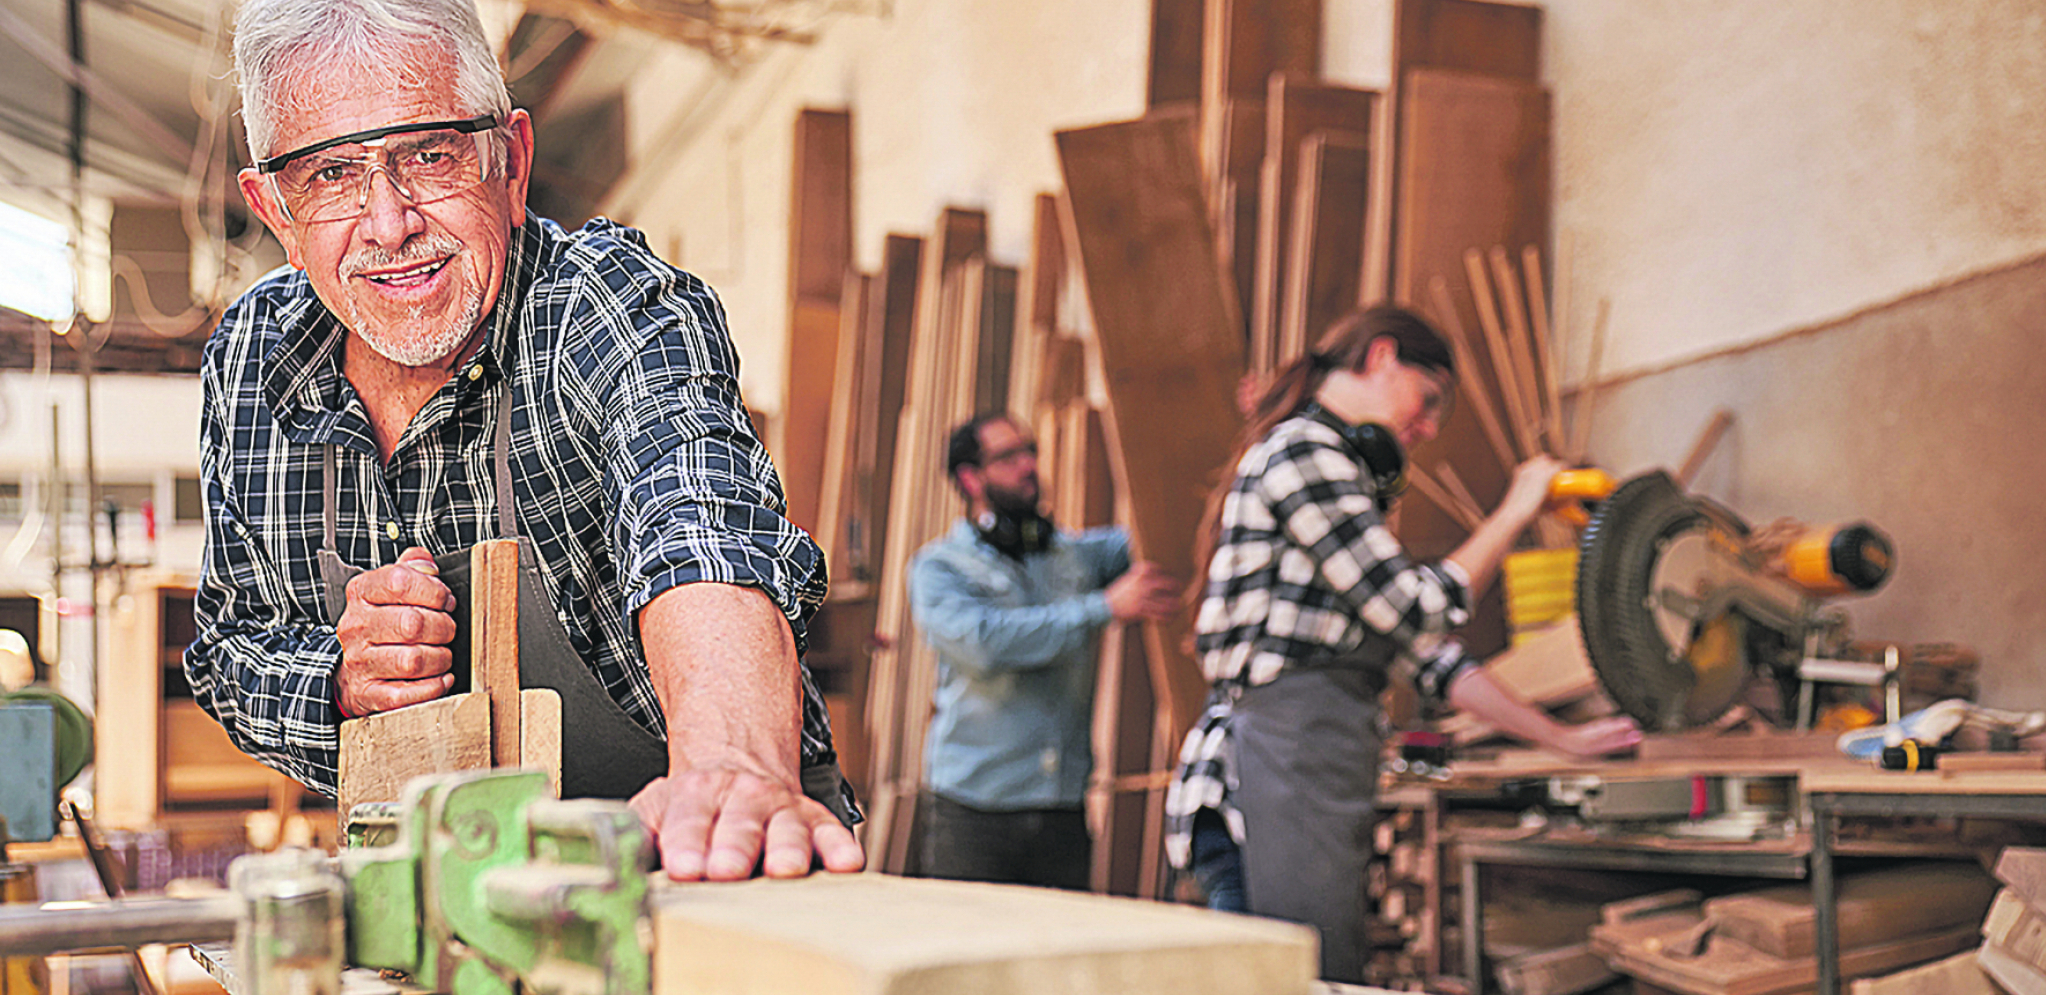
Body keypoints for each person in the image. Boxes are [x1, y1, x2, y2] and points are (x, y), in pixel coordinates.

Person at [184, 0, 862, 882]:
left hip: (696, 860)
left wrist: (731, 769)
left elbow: (701, 530)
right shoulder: (251, 365)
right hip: (439, 899)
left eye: (429, 155)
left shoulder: (606, 308)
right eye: (332, 175)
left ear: (510, 162)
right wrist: (339, 684)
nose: (389, 224)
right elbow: (231, 646)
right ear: (273, 207)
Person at [1162, 306, 1642, 982]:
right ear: (1382, 356)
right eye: (1427, 401)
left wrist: (1559, 738)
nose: (1425, 428)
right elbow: (1415, 606)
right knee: (1301, 976)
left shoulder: (1339, 474)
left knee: (1315, 971)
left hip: (1305, 758)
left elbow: (1431, 655)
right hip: (1265, 770)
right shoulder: (1306, 452)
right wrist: (1515, 508)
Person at [907, 413, 1180, 889]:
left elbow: (1164, 524)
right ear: (970, 478)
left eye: (1029, 450)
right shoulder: (939, 568)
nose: (1029, 464)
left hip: (1062, 809)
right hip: (974, 813)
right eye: (1008, 456)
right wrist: (1102, 608)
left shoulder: (1074, 556)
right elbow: (985, 643)